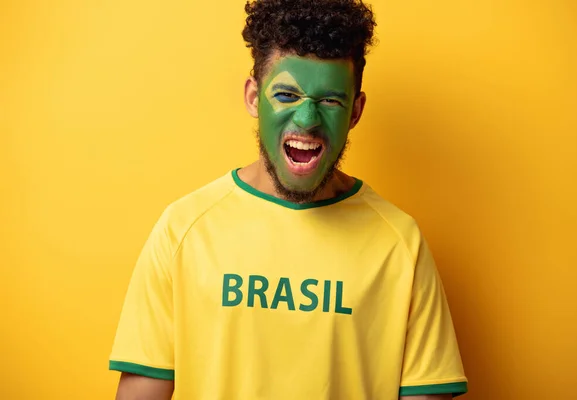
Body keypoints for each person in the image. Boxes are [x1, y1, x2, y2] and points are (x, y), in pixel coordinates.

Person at [108, 0, 468, 399]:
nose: (307, 120)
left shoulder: (400, 243)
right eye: (286, 95)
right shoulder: (183, 230)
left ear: (355, 111)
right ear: (252, 96)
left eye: (330, 100)